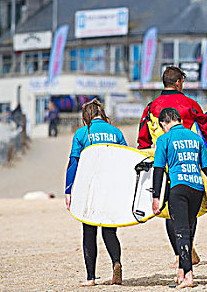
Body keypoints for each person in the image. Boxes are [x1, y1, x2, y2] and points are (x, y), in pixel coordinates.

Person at [138, 66, 207, 267]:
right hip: (188, 162)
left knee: (170, 211)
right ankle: (188, 247)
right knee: (191, 208)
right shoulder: (188, 103)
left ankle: (179, 254)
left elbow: (143, 138)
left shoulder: (151, 106)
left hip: (164, 164)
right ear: (178, 82)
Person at [64, 98, 127, 286]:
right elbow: (125, 160)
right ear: (102, 114)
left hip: (90, 189)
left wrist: (69, 190)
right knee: (109, 232)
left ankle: (91, 278)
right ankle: (116, 262)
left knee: (89, 231)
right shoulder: (116, 132)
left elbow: (73, 162)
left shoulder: (82, 133)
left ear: (87, 116)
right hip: (111, 188)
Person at [152, 108, 207, 289]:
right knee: (188, 230)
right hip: (196, 188)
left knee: (181, 233)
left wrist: (156, 197)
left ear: (165, 123)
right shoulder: (196, 139)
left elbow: (158, 170)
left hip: (178, 189)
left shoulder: (164, 139)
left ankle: (189, 276)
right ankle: (181, 270)